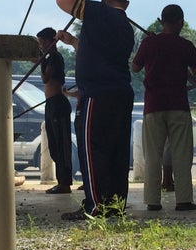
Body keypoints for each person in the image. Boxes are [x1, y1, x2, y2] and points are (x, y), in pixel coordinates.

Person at [56, 0, 135, 220]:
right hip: (120, 92)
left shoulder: (99, 11)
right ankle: (114, 205)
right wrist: (72, 41)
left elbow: (62, 1)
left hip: (98, 93)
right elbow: (97, 52)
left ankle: (96, 206)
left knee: (93, 150)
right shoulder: (125, 26)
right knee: (116, 153)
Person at [131, 4, 196, 211]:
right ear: (180, 22)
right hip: (178, 106)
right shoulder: (185, 45)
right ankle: (183, 201)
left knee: (153, 155)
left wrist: (151, 45)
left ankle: (152, 202)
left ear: (162, 21)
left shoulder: (149, 43)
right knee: (182, 154)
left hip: (153, 106)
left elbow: (135, 67)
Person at [36, 27, 74, 194]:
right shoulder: (49, 57)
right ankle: (61, 181)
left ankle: (65, 183)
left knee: (61, 144)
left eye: (43, 42)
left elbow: (45, 77)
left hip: (58, 103)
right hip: (51, 103)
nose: (41, 45)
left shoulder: (54, 58)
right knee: (54, 144)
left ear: (51, 41)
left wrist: (41, 60)